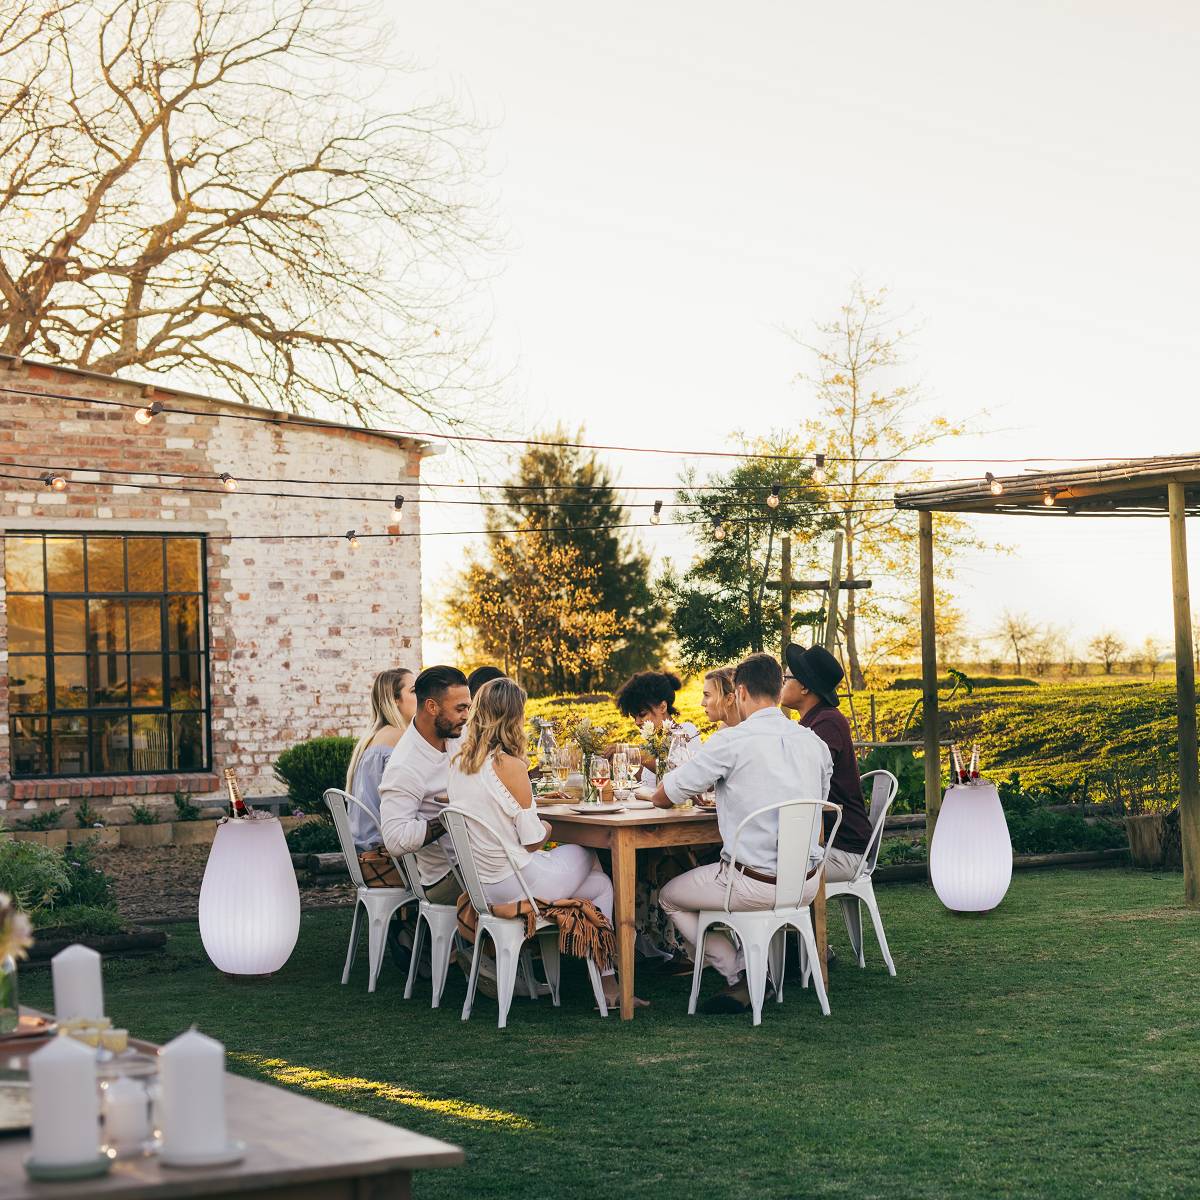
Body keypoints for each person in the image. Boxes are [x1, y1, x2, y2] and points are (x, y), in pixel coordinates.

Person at [651, 652, 833, 1014]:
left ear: (742, 691)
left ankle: (741, 973)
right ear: (779, 692)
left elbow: (664, 796)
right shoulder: (814, 742)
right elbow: (819, 800)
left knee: (670, 896)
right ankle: (751, 970)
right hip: (805, 882)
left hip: (753, 883)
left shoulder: (732, 741)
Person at [448, 677, 645, 1008]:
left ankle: (607, 982)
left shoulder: (459, 765)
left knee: (601, 886)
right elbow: (532, 841)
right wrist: (548, 827)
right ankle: (611, 978)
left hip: (484, 887)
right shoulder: (509, 765)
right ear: (513, 718)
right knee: (588, 852)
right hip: (518, 884)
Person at [378, 665, 472, 906]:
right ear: (432, 707)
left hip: (478, 859)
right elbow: (395, 839)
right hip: (448, 877)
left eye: (468, 708)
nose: (466, 716)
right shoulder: (405, 765)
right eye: (460, 708)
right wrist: (451, 815)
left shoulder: (457, 734)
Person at [780, 644, 873, 883]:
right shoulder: (812, 722)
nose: (781, 683)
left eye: (786, 677)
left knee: (758, 867)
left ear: (804, 687)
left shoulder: (827, 723)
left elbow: (804, 778)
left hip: (843, 851)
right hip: (825, 843)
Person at [345, 668, 417, 853]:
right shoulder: (399, 737)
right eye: (414, 691)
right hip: (385, 851)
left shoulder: (372, 738)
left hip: (364, 847)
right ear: (394, 700)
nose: (422, 696)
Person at [614, 669, 699, 787]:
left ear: (663, 707)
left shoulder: (686, 732)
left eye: (642, 714)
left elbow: (678, 776)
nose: (637, 722)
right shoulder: (654, 741)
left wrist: (630, 751)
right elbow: (648, 781)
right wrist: (625, 761)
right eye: (634, 717)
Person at [700, 667, 741, 731]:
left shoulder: (750, 732)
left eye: (707, 695)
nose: (702, 703)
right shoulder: (724, 730)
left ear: (729, 699)